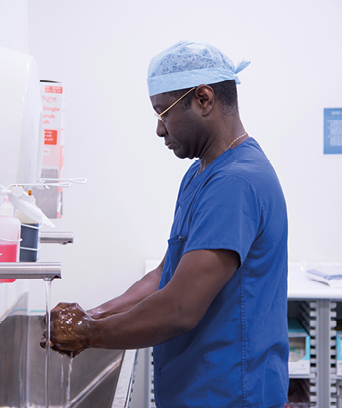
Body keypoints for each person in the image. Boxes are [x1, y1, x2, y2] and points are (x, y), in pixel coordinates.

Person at [42, 41, 289, 408]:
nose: (160, 130)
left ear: (204, 99)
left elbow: (180, 307)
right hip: (198, 390)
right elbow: (166, 273)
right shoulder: (201, 173)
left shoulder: (236, 182)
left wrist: (90, 333)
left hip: (230, 395)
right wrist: (93, 313)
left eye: (164, 112)